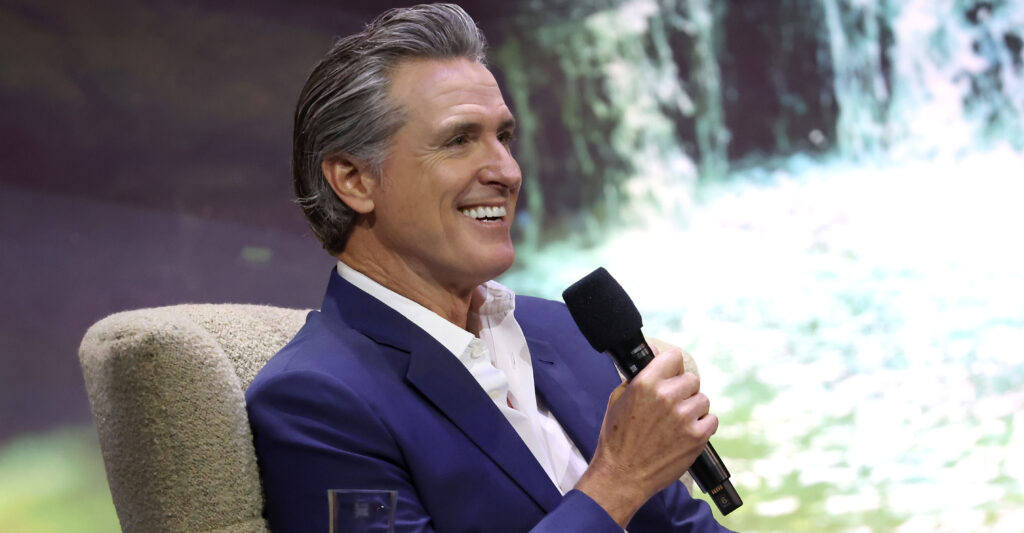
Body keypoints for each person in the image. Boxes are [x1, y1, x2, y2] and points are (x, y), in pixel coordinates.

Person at [245, 4, 734, 532]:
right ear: (354, 180)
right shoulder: (317, 400)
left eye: (504, 137)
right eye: (459, 140)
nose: (506, 171)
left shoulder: (564, 332)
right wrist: (619, 480)